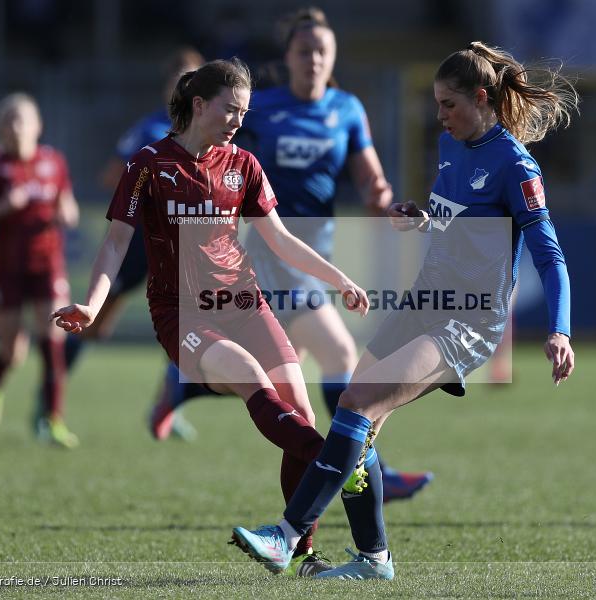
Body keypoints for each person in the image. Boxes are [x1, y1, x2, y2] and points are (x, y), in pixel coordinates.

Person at [231, 41, 577, 580]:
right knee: (354, 412)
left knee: (358, 407)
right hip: (424, 304)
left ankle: (287, 534)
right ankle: (373, 560)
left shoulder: (515, 164)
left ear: (482, 98)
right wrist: (422, 219)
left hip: (468, 322)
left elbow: (550, 255)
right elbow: (457, 221)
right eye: (436, 105)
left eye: (448, 105)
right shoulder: (451, 146)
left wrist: (561, 331)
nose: (439, 116)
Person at [51, 58, 370, 576]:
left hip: (245, 303)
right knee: (252, 381)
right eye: (230, 110)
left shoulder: (243, 164)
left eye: (244, 113)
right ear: (199, 105)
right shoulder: (149, 164)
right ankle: (344, 465)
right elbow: (114, 243)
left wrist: (341, 281)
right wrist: (93, 303)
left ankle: (301, 551)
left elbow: (281, 240)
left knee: (302, 414)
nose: (237, 122)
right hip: (183, 314)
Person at [150, 7, 434, 502]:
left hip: (311, 253)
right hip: (269, 251)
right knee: (340, 353)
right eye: (304, 52)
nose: (314, 60)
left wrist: (390, 207)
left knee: (284, 383)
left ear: (333, 58)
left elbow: (370, 179)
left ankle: (184, 387)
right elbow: (217, 157)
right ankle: (367, 471)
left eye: (322, 51)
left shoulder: (347, 110)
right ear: (289, 57)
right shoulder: (262, 110)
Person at [47, 47, 204, 441]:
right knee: (95, 325)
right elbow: (112, 177)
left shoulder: (207, 136)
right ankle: (49, 402)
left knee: (186, 326)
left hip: (180, 247)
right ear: (169, 87)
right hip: (139, 242)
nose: (185, 88)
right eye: (179, 80)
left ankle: (167, 406)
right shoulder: (147, 131)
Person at [0, 93, 81, 448]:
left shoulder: (54, 161)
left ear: (37, 125)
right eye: (9, 121)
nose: (16, 127)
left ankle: (53, 419)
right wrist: (1, 206)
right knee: (13, 351)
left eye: (22, 119)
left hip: (47, 266)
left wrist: (67, 214)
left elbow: (67, 204)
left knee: (52, 342)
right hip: (7, 268)